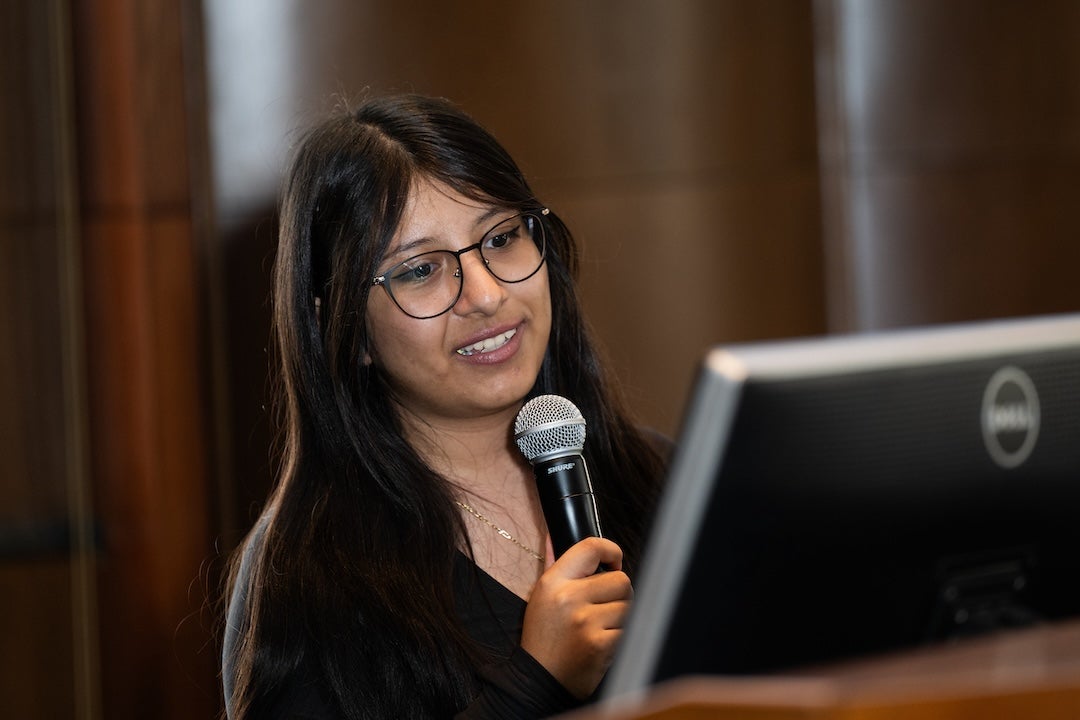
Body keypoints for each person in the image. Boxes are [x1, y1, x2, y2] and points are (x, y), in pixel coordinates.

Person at [222, 93, 668, 720]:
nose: (485, 295)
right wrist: (535, 681)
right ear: (346, 329)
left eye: (502, 237)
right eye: (420, 270)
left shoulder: (665, 478)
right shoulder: (307, 575)